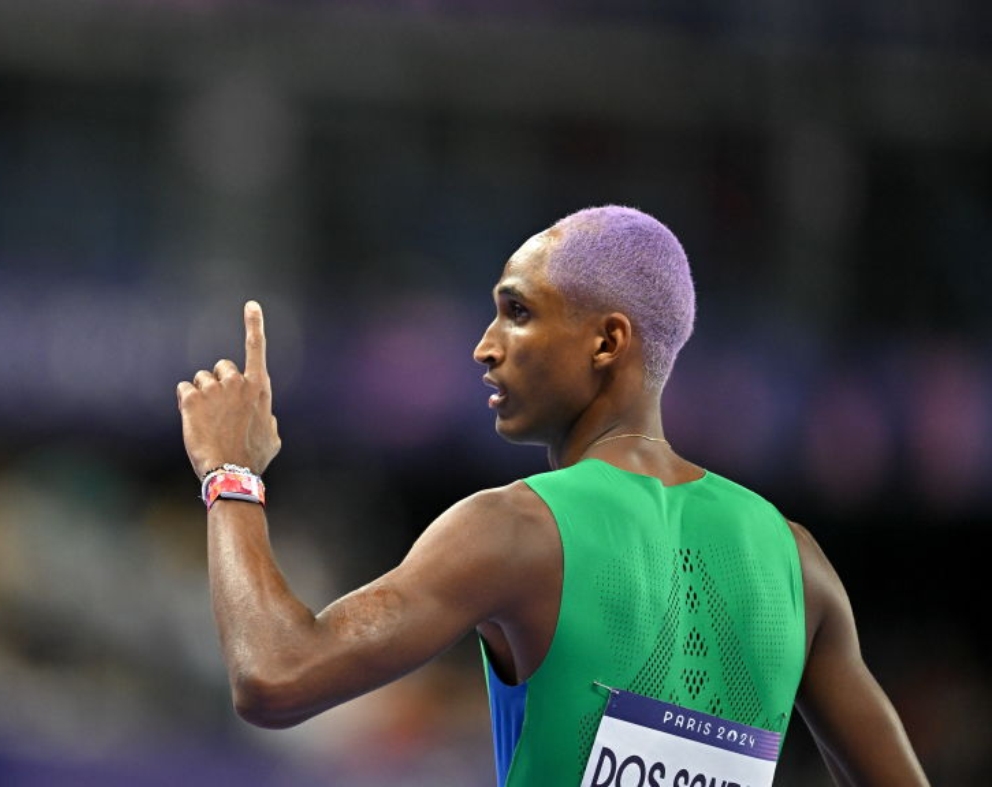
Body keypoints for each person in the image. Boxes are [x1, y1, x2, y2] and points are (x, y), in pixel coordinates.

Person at [175, 206, 928, 786]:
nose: (485, 344)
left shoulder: (517, 530)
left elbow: (274, 674)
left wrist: (230, 472)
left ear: (607, 343)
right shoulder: (796, 562)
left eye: (519, 311)